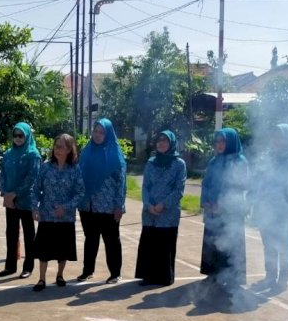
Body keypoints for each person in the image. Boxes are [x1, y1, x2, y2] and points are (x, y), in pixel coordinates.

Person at [250, 124, 288, 292]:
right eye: (274, 136)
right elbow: (258, 181)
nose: (276, 140)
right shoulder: (268, 158)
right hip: (265, 210)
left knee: (284, 245)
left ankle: (283, 278)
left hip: (286, 212)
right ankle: (270, 276)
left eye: (280, 136)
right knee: (268, 245)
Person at [31, 134, 85, 292]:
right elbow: (36, 190)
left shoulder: (75, 169)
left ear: (69, 149)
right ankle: (41, 279)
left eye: (61, 147)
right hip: (46, 216)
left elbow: (80, 192)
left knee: (63, 249)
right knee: (44, 251)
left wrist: (66, 207)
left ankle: (60, 275)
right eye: (56, 146)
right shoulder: (46, 167)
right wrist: (35, 207)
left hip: (65, 217)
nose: (57, 149)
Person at [77, 118, 127, 284]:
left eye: (101, 132)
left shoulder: (115, 154)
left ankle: (115, 273)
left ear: (108, 134)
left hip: (108, 206)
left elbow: (121, 183)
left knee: (111, 240)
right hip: (87, 205)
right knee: (90, 239)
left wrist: (119, 206)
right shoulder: (87, 151)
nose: (98, 135)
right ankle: (87, 270)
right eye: (95, 131)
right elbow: (79, 176)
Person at [200, 127, 250, 290]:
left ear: (231, 142)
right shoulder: (214, 161)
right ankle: (214, 274)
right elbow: (206, 184)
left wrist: (222, 204)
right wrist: (206, 202)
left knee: (231, 243)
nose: (219, 144)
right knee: (213, 242)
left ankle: (233, 277)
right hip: (212, 210)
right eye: (217, 141)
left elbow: (240, 186)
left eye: (223, 141)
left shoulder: (240, 161)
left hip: (231, 212)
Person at [135, 130, 187, 286]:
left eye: (165, 140)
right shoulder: (151, 162)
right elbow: (145, 186)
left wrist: (163, 204)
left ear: (171, 143)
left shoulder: (179, 164)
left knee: (165, 245)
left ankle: (165, 277)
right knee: (149, 244)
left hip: (168, 213)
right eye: (159, 140)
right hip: (150, 213)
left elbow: (179, 189)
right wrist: (148, 204)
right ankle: (148, 276)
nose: (161, 143)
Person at [0, 122, 41, 279]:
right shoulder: (9, 154)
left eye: (21, 135)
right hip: (10, 200)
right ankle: (10, 266)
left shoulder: (33, 155)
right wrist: (5, 192)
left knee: (29, 234)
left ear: (27, 136)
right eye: (15, 135)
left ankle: (28, 267)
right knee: (11, 233)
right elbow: (2, 174)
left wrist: (14, 193)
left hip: (26, 200)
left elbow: (32, 179)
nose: (18, 138)